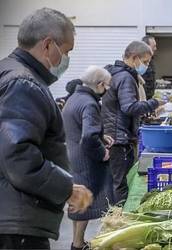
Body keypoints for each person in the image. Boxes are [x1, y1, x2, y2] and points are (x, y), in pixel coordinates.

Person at [0, 8, 92, 249]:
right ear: (48, 45)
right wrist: (66, 189)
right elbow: (18, 157)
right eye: (67, 51)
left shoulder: (8, 71)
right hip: (16, 225)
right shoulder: (23, 83)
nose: (67, 59)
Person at [102, 41, 161, 204]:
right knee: (121, 184)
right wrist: (154, 102)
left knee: (116, 182)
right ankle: (118, 218)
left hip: (114, 135)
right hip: (119, 138)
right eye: (145, 62)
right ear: (135, 58)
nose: (147, 66)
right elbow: (129, 107)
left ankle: (114, 216)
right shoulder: (125, 77)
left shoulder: (114, 73)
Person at [63, 66, 114, 250]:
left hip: (73, 157)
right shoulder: (90, 104)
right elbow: (88, 137)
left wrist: (101, 137)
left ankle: (77, 242)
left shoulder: (74, 98)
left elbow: (80, 128)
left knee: (77, 202)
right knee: (85, 204)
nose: (107, 89)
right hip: (87, 161)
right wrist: (103, 152)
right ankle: (78, 244)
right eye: (106, 85)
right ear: (99, 84)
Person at [142, 35, 157, 100]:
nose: (155, 48)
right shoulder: (140, 63)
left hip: (148, 99)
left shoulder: (151, 61)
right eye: (154, 46)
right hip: (143, 100)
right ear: (146, 46)